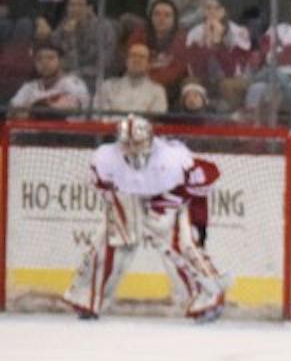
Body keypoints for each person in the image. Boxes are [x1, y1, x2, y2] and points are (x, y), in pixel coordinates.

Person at [64, 115, 229, 322]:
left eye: (138, 143)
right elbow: (103, 186)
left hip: (168, 195)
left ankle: (206, 297)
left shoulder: (173, 158)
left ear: (151, 139)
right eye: (127, 143)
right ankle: (87, 297)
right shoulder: (105, 158)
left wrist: (197, 223)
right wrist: (123, 211)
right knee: (109, 241)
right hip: (127, 195)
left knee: (181, 244)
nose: (132, 149)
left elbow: (202, 185)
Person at [9, 43, 90, 113]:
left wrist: (30, 111)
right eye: (39, 59)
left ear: (61, 61)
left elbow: (55, 113)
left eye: (50, 58)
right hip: (27, 130)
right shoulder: (29, 86)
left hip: (62, 130)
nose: (44, 63)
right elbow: (11, 111)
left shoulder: (74, 84)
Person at [95, 41, 171, 113]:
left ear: (149, 64)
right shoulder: (108, 87)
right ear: (126, 61)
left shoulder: (158, 91)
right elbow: (99, 115)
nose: (137, 60)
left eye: (142, 57)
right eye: (133, 55)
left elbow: (156, 119)